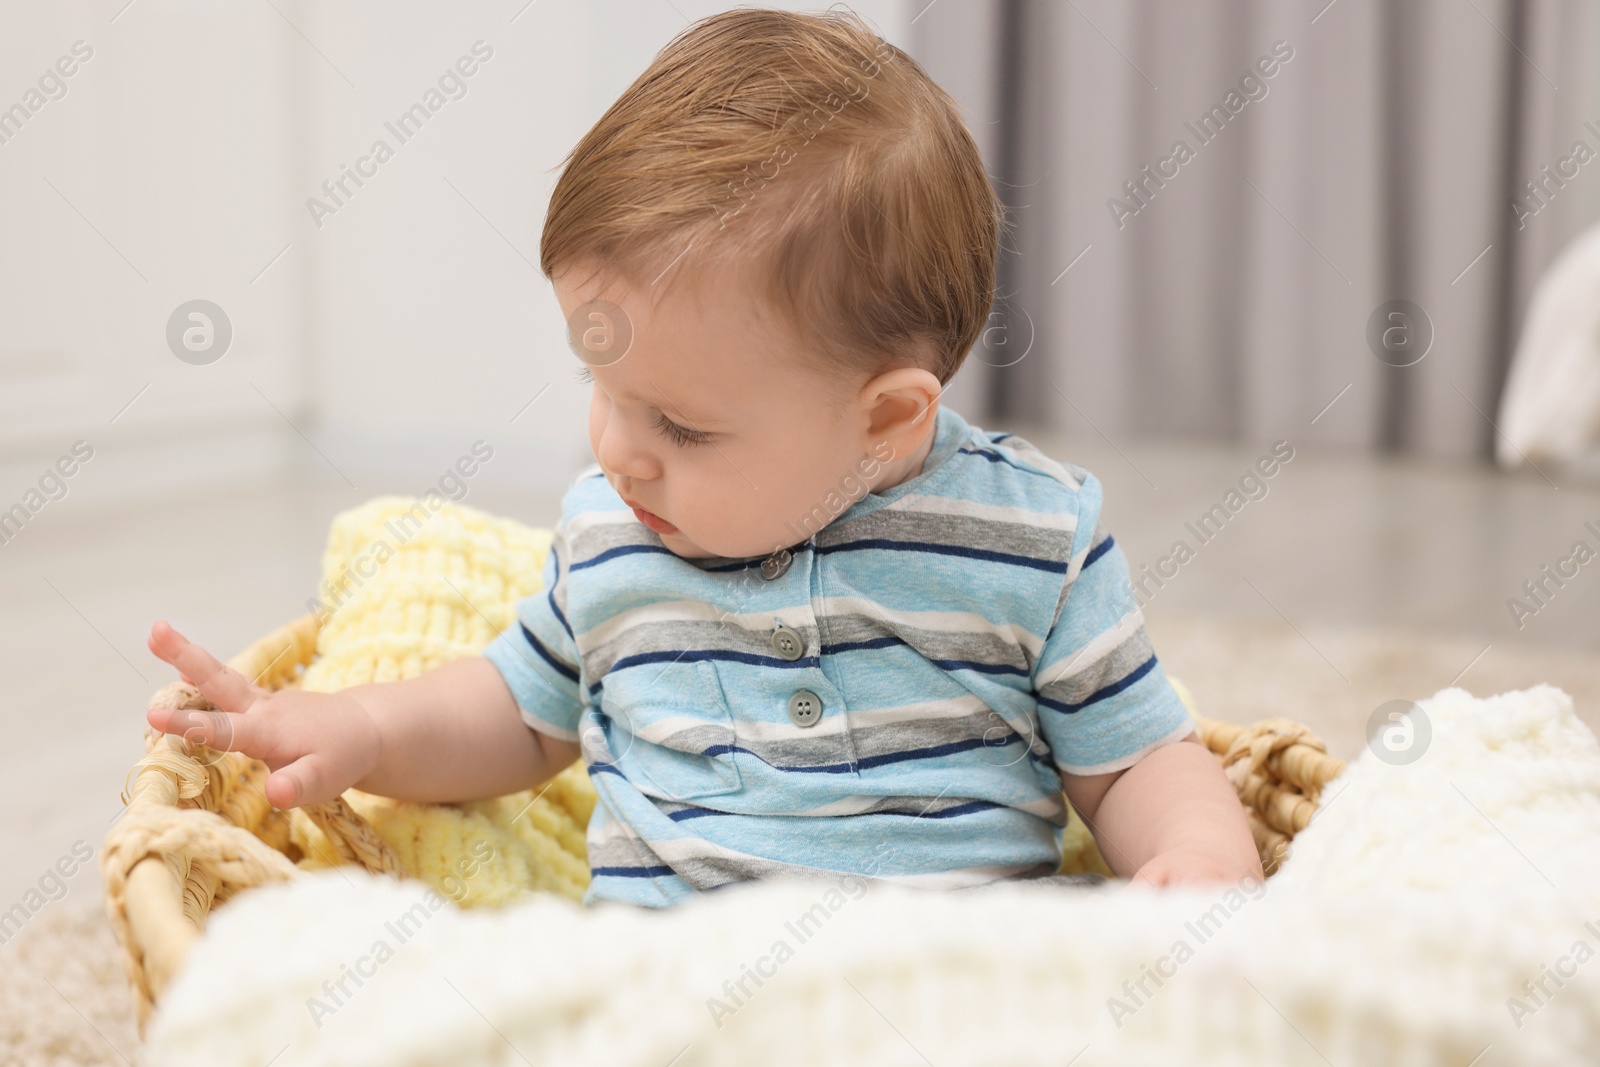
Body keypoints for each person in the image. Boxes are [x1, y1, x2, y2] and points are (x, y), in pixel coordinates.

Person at [146, 7, 1263, 909]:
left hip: (941, 1001)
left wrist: (1198, 856)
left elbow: (1130, 762)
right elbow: (513, 713)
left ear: (886, 419)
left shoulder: (1031, 542)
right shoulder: (608, 541)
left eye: (680, 425)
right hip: (663, 1007)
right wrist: (363, 729)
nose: (618, 452)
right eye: (601, 387)